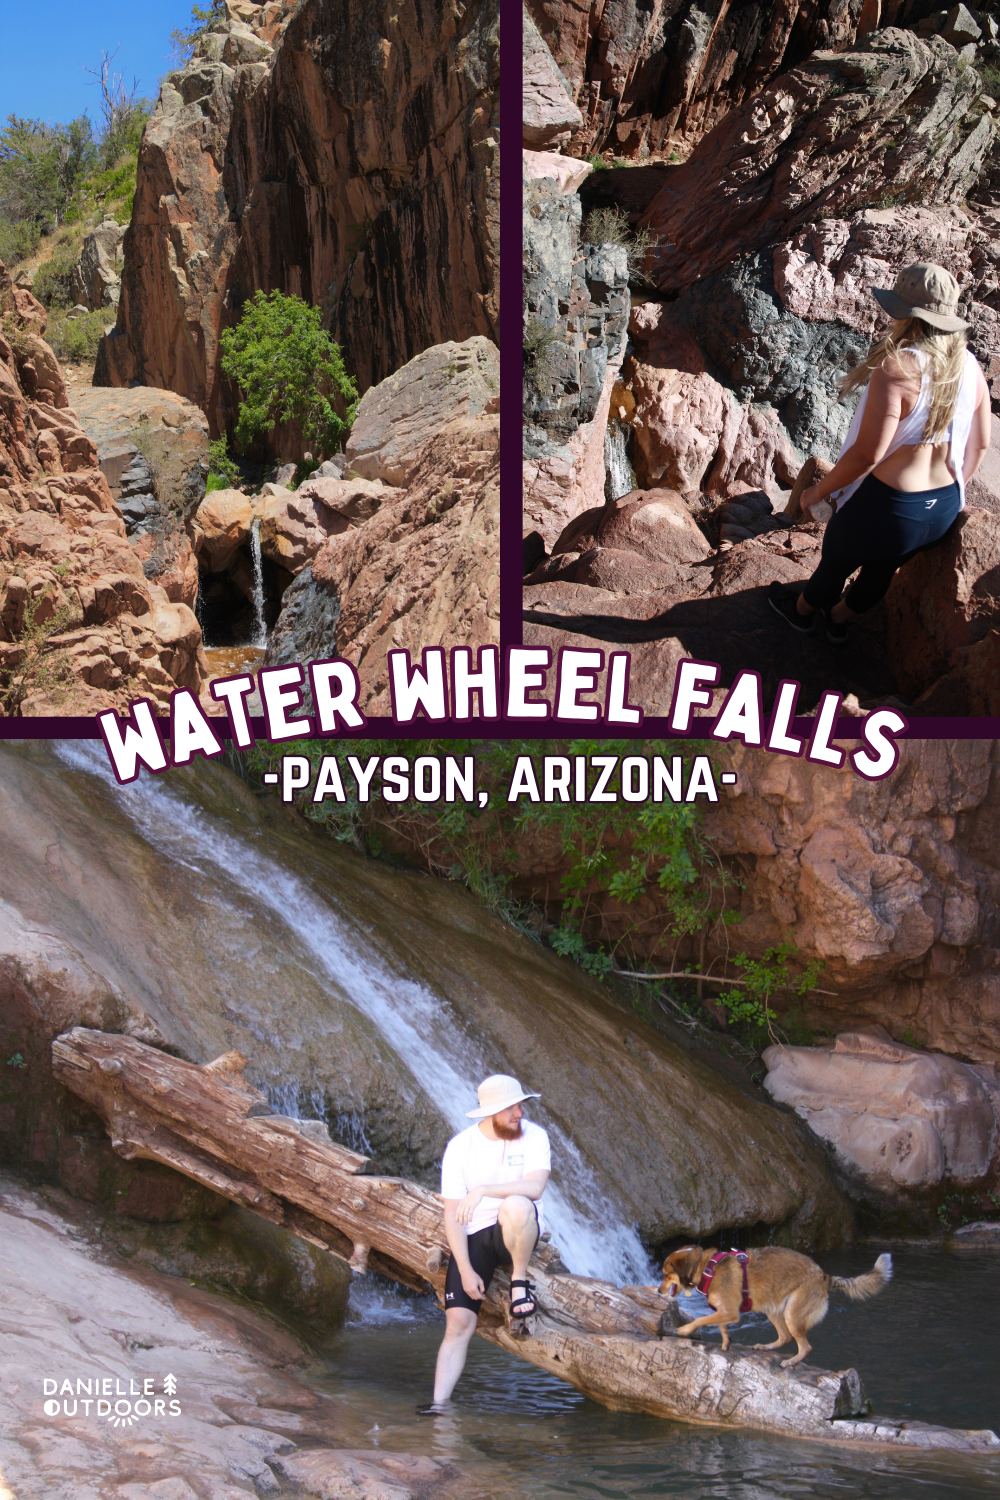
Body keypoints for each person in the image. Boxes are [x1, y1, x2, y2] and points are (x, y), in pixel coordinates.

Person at [769, 262, 991, 645]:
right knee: (881, 571)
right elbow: (981, 444)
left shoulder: (899, 368)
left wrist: (815, 493)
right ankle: (838, 621)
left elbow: (866, 456)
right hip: (942, 507)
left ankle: (802, 614)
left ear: (904, 314)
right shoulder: (968, 366)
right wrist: (948, 495)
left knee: (836, 563)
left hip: (889, 508)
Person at [417, 1074, 551, 1414]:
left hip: (517, 1231)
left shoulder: (535, 1136)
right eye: (511, 1108)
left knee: (517, 1204)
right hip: (476, 1236)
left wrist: (483, 1191)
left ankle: (519, 1282)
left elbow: (534, 1188)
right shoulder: (460, 1147)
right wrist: (463, 1269)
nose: (519, 1113)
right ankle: (439, 1406)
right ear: (490, 1112)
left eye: (521, 1105)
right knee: (458, 1322)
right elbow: (452, 1215)